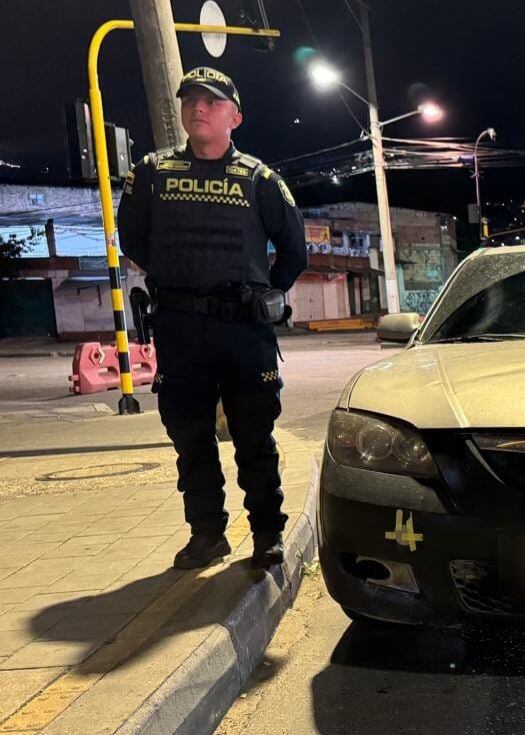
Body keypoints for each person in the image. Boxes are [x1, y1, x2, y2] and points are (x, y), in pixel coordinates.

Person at [117, 67, 307, 572]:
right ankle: (207, 535)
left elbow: (294, 250)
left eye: (211, 101)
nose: (198, 108)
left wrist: (266, 295)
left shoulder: (260, 179)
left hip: (244, 330)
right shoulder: (152, 174)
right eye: (190, 101)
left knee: (254, 438)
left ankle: (267, 533)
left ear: (234, 117)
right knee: (190, 437)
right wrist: (178, 279)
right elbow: (134, 240)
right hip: (180, 330)